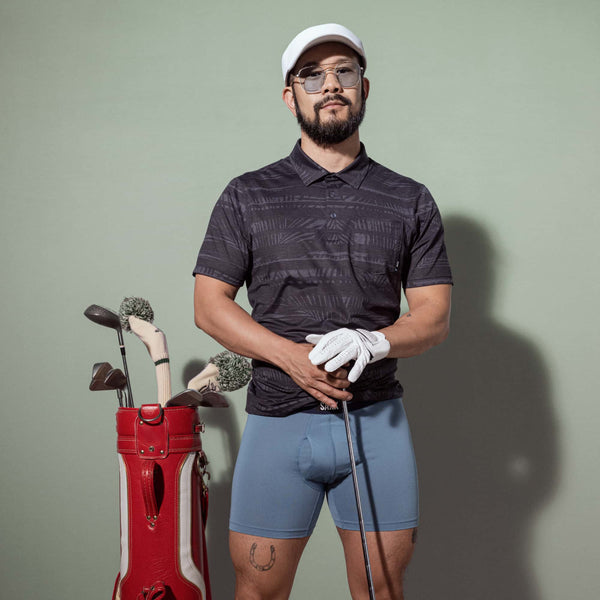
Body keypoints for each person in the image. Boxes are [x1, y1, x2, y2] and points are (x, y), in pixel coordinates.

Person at [193, 23, 453, 600]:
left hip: (376, 423)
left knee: (382, 590)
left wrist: (375, 342)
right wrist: (291, 358)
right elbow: (209, 306)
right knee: (258, 590)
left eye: (345, 71)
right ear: (291, 96)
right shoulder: (247, 194)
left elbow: (433, 315)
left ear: (365, 87)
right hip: (276, 423)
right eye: (312, 74)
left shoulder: (409, 198)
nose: (330, 84)